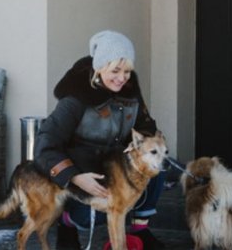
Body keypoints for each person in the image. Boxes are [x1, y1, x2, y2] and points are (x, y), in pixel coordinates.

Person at [34, 30, 165, 250]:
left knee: (158, 167)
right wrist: (74, 177)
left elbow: (146, 126)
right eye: (115, 70)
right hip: (85, 175)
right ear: (99, 67)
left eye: (127, 71)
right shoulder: (74, 100)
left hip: (117, 170)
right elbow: (45, 146)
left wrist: (146, 146)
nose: (122, 78)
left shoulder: (130, 92)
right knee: (91, 216)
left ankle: (139, 229)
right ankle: (66, 222)